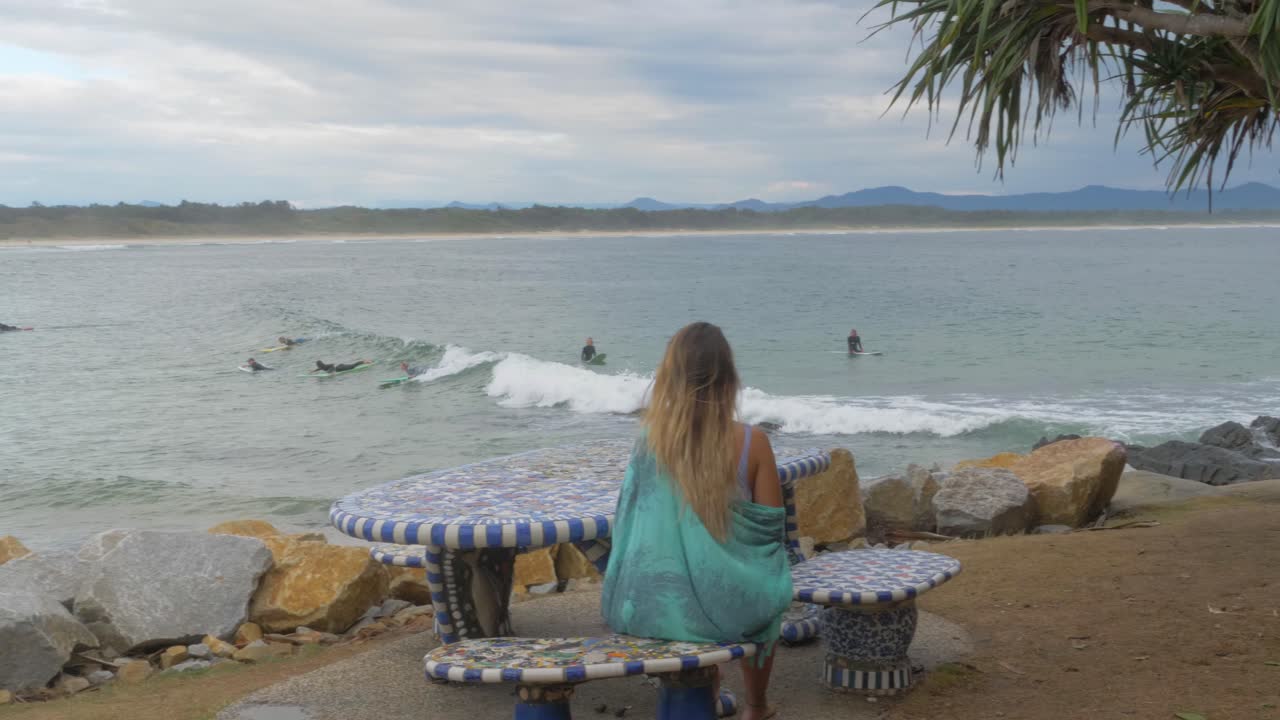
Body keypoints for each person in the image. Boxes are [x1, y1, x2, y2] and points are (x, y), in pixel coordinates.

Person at [601, 322, 789, 720]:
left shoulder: (648, 440)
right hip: (721, 609)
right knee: (762, 590)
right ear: (730, 379)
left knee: (691, 586)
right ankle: (757, 707)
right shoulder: (753, 443)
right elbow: (770, 532)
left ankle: (710, 694)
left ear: (670, 377)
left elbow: (628, 519)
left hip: (643, 605)